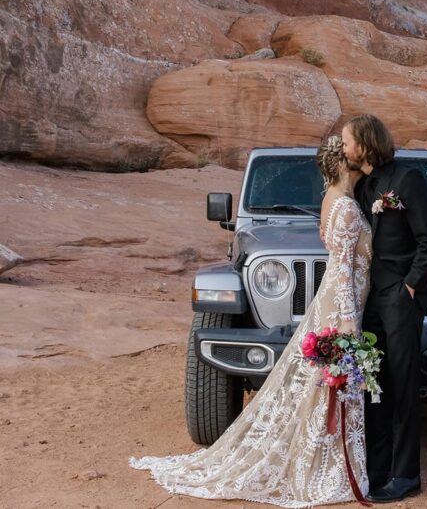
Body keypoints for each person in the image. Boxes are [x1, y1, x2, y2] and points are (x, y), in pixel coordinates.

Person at [130, 135, 373, 507]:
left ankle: (323, 456)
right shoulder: (345, 207)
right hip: (343, 305)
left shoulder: (334, 201)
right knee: (330, 384)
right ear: (343, 163)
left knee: (320, 384)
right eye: (354, 153)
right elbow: (341, 268)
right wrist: (347, 320)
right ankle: (327, 467)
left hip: (338, 301)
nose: (360, 156)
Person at [342, 114, 427, 503]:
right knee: (376, 387)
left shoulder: (408, 180)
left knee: (402, 387)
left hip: (401, 299)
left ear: (365, 143)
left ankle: (407, 476)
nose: (345, 147)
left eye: (348, 141)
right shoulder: (364, 185)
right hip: (371, 303)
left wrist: (411, 287)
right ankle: (378, 470)